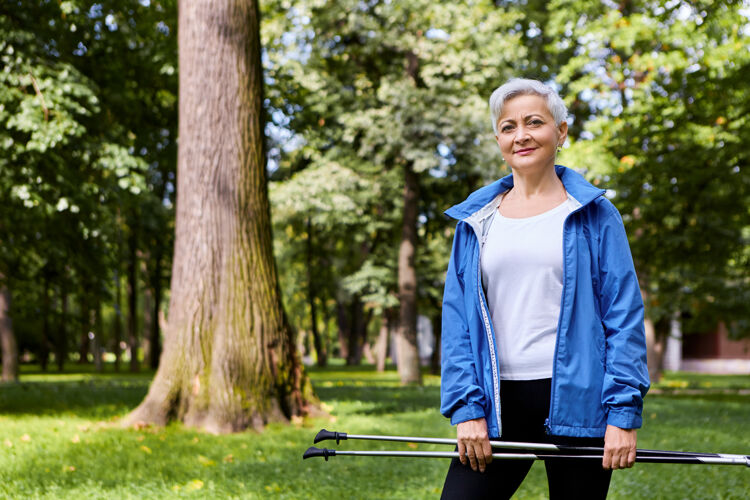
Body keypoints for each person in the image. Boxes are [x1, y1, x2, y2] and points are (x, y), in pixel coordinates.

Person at [439, 78, 650, 499]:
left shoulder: (595, 215)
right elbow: (457, 321)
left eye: (534, 122)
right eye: (508, 126)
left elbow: (623, 316)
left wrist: (623, 412)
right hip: (497, 405)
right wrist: (467, 409)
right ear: (498, 138)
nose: (521, 135)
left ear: (561, 131)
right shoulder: (476, 221)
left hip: (580, 399)